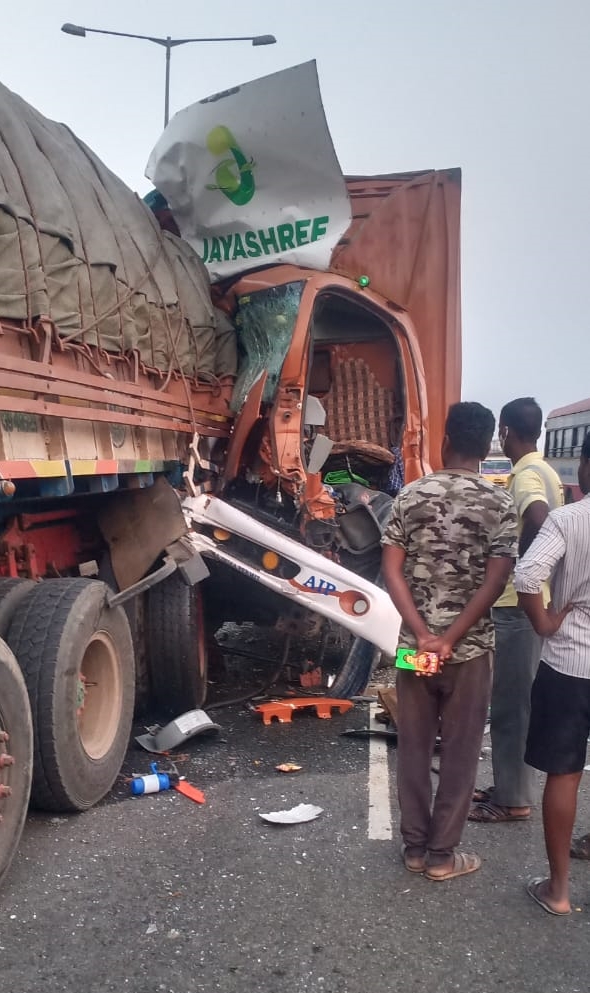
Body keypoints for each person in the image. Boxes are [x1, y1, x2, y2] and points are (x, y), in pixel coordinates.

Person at [381, 402, 518, 881]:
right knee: (459, 752)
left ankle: (415, 848)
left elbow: (390, 569)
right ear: (486, 448)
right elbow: (497, 581)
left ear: (445, 440)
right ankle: (442, 856)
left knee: (414, 746)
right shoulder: (500, 504)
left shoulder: (410, 496)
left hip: (413, 649)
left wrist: (422, 633)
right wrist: (452, 637)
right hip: (471, 651)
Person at [469, 397, 563, 824]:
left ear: (505, 431)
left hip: (516, 607)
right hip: (529, 604)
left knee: (511, 706)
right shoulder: (545, 469)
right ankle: (509, 785)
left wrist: (522, 570)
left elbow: (539, 520)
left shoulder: (526, 474)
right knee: (516, 702)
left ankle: (513, 799)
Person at [513, 431, 590, 915]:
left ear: (585, 463)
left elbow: (526, 575)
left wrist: (543, 622)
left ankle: (557, 890)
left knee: (564, 773)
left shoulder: (568, 519)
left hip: (569, 664)